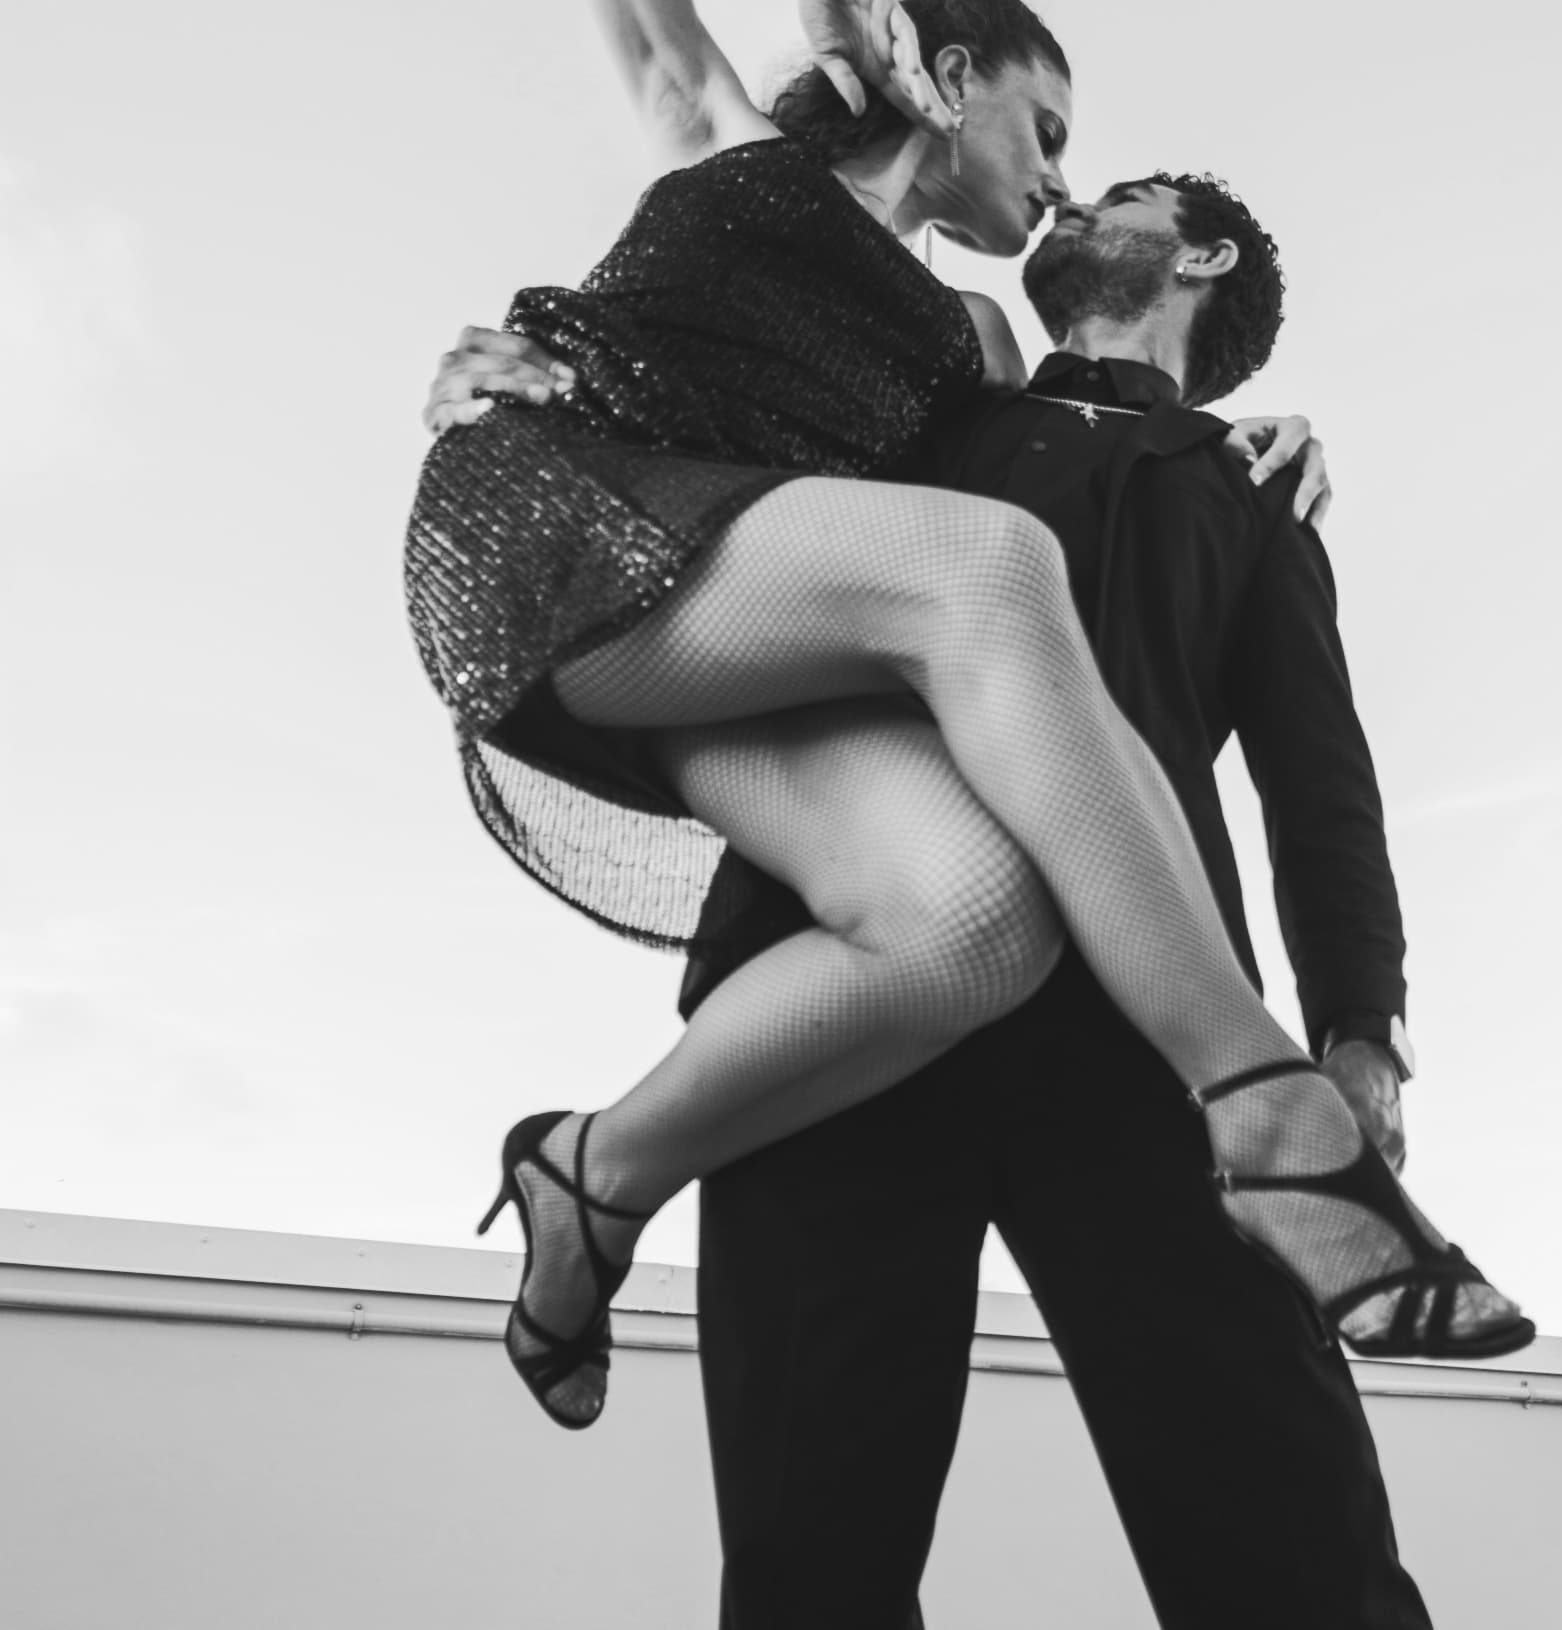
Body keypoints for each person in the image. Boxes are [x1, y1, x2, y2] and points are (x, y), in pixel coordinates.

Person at [406, 0, 1528, 1433]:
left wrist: (1248, 433)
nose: (1065, 177)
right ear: (950, 75)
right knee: (985, 571)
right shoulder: (728, 148)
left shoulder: (977, 351)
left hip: (733, 657)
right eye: (1049, 126)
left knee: (974, 924)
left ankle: (592, 1170)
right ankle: (1261, 1111)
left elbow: (1073, 449)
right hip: (563, 528)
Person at [427, 169, 1475, 1627]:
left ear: (1200, 254)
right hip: (840, 997)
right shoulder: (916, 411)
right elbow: (704, 404)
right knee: (810, 1558)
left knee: (1291, 1540)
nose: (1065, 194)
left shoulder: (1247, 487)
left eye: (1113, 190)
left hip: (1149, 1043)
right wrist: (525, 378)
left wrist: (1359, 1026)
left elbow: (1320, 784)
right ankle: (590, 1179)